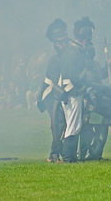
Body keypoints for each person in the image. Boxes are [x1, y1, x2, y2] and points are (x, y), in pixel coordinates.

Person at [59, 16, 95, 163]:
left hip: (66, 91)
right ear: (85, 40)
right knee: (74, 126)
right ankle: (69, 157)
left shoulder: (69, 50)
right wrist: (84, 89)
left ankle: (70, 156)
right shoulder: (76, 53)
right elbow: (74, 76)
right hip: (73, 92)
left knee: (72, 124)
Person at [36, 18, 69, 162]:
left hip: (60, 92)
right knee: (59, 122)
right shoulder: (55, 59)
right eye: (61, 42)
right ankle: (54, 155)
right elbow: (55, 82)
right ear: (56, 44)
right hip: (50, 93)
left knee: (63, 122)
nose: (64, 44)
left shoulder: (66, 56)